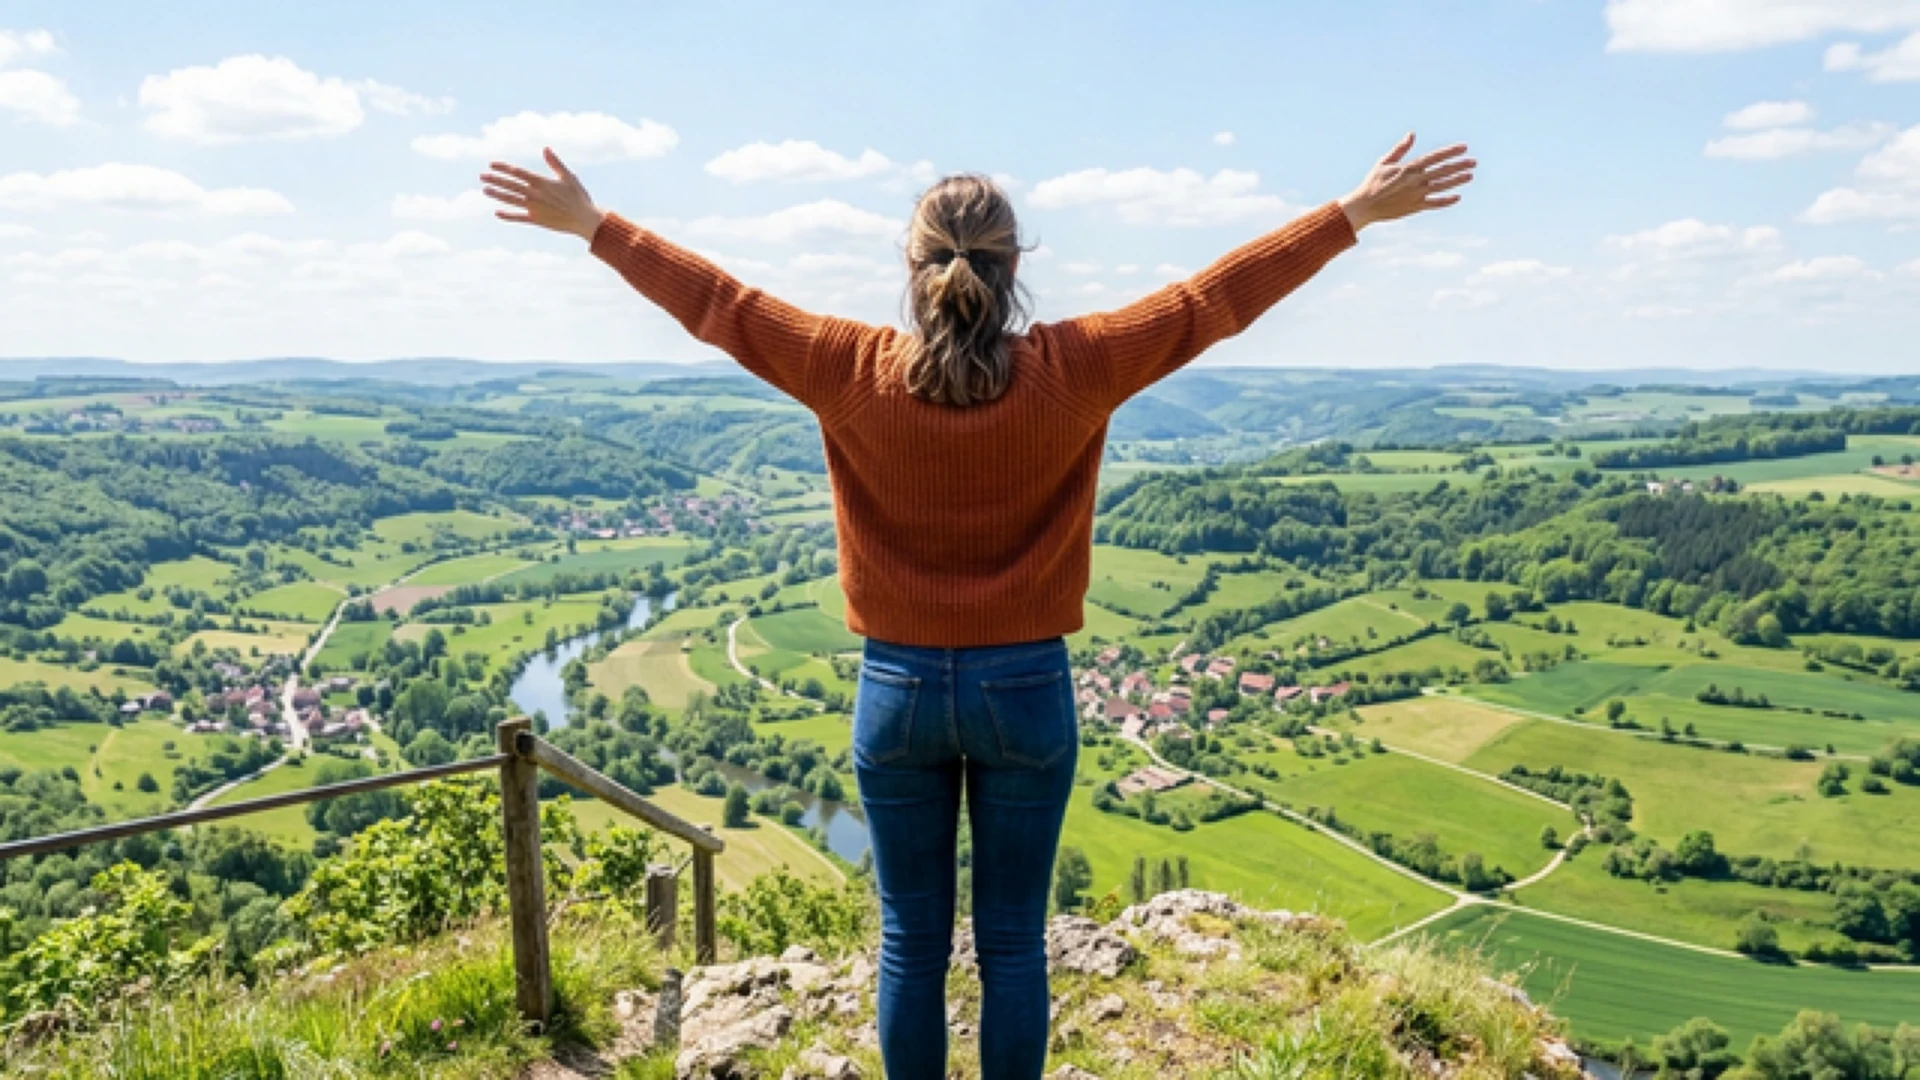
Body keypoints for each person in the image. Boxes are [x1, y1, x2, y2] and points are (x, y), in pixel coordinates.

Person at [481, 133, 1472, 1079]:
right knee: (1011, 942)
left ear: (912, 263)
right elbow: (1210, 302)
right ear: (1012, 265)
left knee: (910, 942)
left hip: (897, 689)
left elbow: (721, 305)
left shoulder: (847, 366)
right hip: (1027, 688)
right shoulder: (1076, 368)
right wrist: (1352, 213)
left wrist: (597, 227)